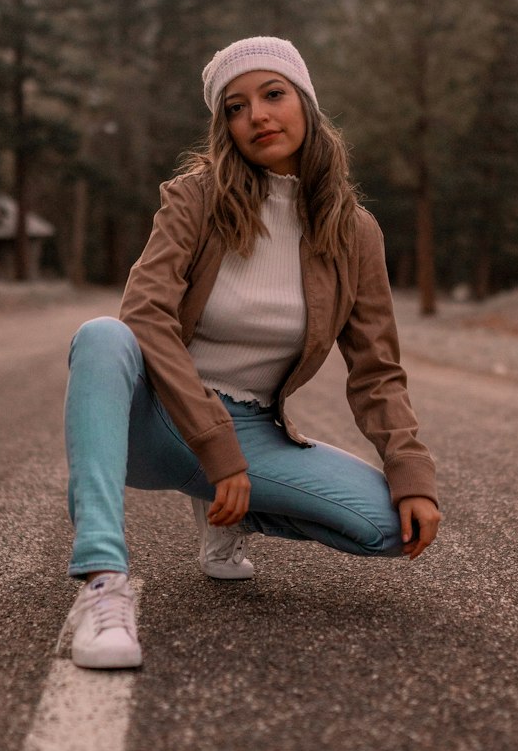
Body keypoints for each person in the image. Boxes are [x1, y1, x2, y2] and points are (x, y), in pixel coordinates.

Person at [60, 36, 440, 669]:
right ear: (225, 126)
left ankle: (227, 513)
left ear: (306, 104)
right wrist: (215, 446)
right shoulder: (195, 199)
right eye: (236, 107)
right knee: (103, 335)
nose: (258, 116)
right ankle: (103, 581)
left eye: (273, 95)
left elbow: (376, 369)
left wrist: (411, 473)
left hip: (254, 431)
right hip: (162, 419)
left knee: (387, 529)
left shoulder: (356, 232)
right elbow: (146, 314)